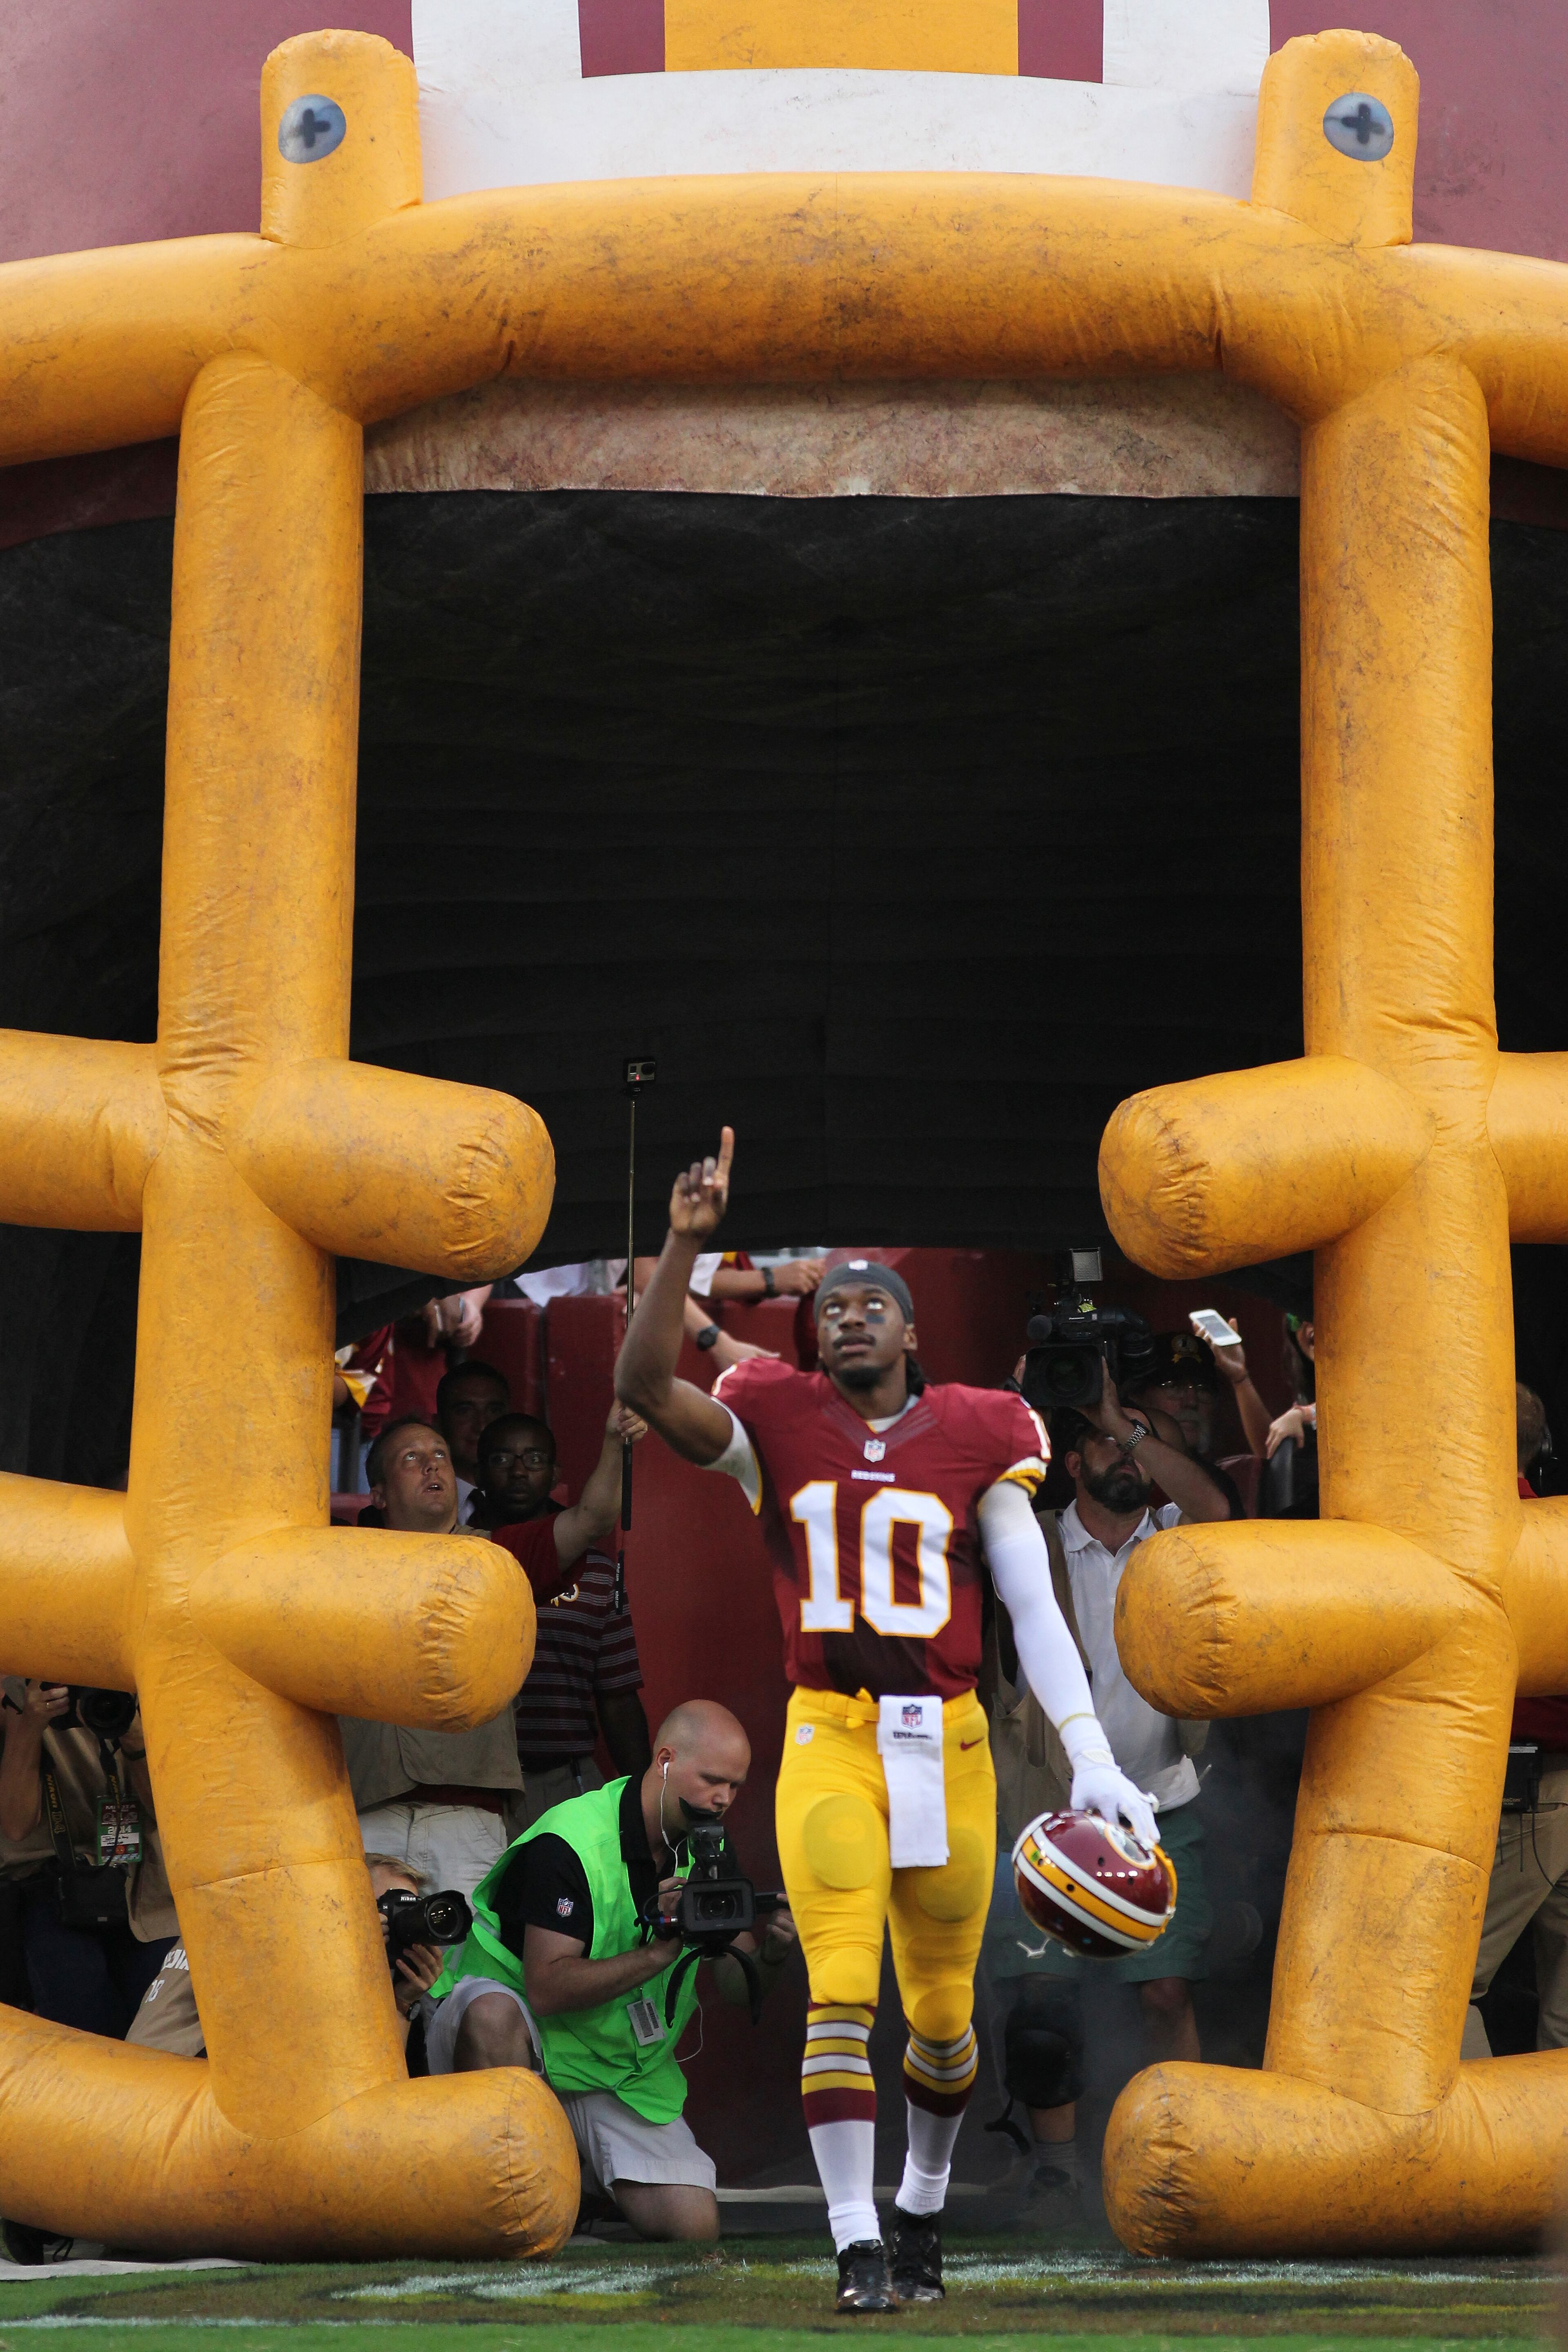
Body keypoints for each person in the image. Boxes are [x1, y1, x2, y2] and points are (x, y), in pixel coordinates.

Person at [612, 1128, 1157, 2314]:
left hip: (951, 1738)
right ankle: (859, 2241)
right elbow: (644, 1388)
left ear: (915, 1332)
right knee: (842, 1989)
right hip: (831, 1733)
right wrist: (683, 1246)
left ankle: (919, 2204)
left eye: (877, 1302)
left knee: (949, 2019)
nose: (851, 1313)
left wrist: (1094, 1753)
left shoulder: (982, 1426)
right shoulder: (778, 1415)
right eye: (837, 1302)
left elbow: (1027, 1596)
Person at [425, 1701, 796, 2242]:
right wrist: (658, 1950)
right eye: (713, 1779)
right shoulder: (572, 1840)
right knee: (493, 2014)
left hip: (612, 2068)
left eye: (735, 1786)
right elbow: (547, 1988)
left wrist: (772, 1953)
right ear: (665, 1759)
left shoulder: (706, 1844)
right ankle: (508, 2197)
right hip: (516, 2039)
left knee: (693, 2228)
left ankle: (584, 2191)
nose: (724, 1799)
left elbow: (739, 1990)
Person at [984, 1392, 1224, 2219]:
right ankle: (1056, 2166)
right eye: (1105, 1440)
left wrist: (1129, 1423)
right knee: (1044, 2008)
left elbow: (1219, 1505)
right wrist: (1021, 1398)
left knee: (1163, 1993)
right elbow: (979, 1498)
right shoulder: (1033, 1535)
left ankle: (1181, 2150)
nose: (1126, 1454)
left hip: (1163, 1802)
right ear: (1071, 1457)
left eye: (1141, 1442)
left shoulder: (1178, 1536)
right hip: (1050, 1809)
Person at [341, 1409, 640, 1900]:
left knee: (469, 1975)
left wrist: (613, 1438)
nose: (432, 1466)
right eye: (412, 1458)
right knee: (363, 1971)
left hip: (470, 1814)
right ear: (377, 1494)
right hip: (370, 1810)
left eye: (440, 1455)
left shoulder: (499, 1556)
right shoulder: (340, 1561)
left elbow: (593, 1518)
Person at [470, 1414, 652, 1826]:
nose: (518, 1470)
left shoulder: (598, 1573)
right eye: (502, 1458)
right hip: (471, 1785)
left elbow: (618, 1696)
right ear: (478, 1472)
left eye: (533, 1458)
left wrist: (642, 1797)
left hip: (564, 1781)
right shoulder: (454, 1556)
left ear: (555, 1474)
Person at [1463, 1383, 1568, 2058]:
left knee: (1431, 1989)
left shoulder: (1477, 1547)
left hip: (1524, 1796)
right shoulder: (1559, 1530)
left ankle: (1459, 2167)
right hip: (1556, 1783)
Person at [127, 1853, 443, 2060]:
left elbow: (378, 2086)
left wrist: (401, 2002)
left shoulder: (341, 1961)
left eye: (408, 1910)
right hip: (161, 2094)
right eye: (385, 1906)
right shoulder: (257, 1925)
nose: (394, 1921)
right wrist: (339, 1946)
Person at [0, 1679, 176, 2038]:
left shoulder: (147, 1684)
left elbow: (169, 1815)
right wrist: (30, 1725)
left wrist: (135, 1736)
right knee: (86, 2033)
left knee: (161, 2036)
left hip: (146, 1886)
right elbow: (16, 1826)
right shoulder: (22, 1694)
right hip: (55, 1888)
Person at [1124, 1331, 1246, 1517]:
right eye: (1173, 1386)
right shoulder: (1115, 1473)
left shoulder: (1217, 1486)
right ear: (1137, 1397)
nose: (1191, 1401)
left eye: (1202, 1389)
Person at [435, 1358, 510, 1520]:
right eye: (465, 1411)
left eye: (494, 1411)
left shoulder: (538, 1508)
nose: (482, 1426)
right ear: (440, 1423)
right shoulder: (415, 1505)